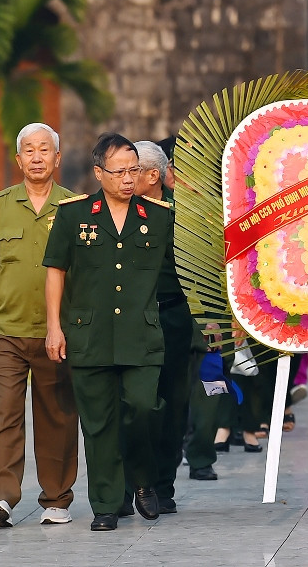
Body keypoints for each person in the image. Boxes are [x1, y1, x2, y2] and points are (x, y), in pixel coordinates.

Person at [43, 133, 173, 531]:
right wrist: (54, 327)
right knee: (97, 422)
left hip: (141, 335)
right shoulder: (73, 215)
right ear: (99, 173)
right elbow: (55, 271)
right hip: (90, 334)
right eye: (120, 172)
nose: (129, 179)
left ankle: (142, 480)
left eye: (134, 170)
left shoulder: (160, 216)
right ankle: (105, 504)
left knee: (143, 408)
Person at [0, 123, 79, 528]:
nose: (36, 157)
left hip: (55, 333)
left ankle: (57, 498)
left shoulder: (74, 207)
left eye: (43, 150)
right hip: (5, 332)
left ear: (57, 158)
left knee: (57, 415)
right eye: (28, 151)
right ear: (18, 159)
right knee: (7, 410)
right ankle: (0, 496)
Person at [130, 140, 194, 513]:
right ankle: (129, 485)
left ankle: (162, 484)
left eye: (132, 171)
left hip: (172, 315)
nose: (125, 178)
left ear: (153, 175)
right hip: (129, 318)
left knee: (170, 402)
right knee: (132, 401)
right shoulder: (113, 213)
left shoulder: (182, 217)